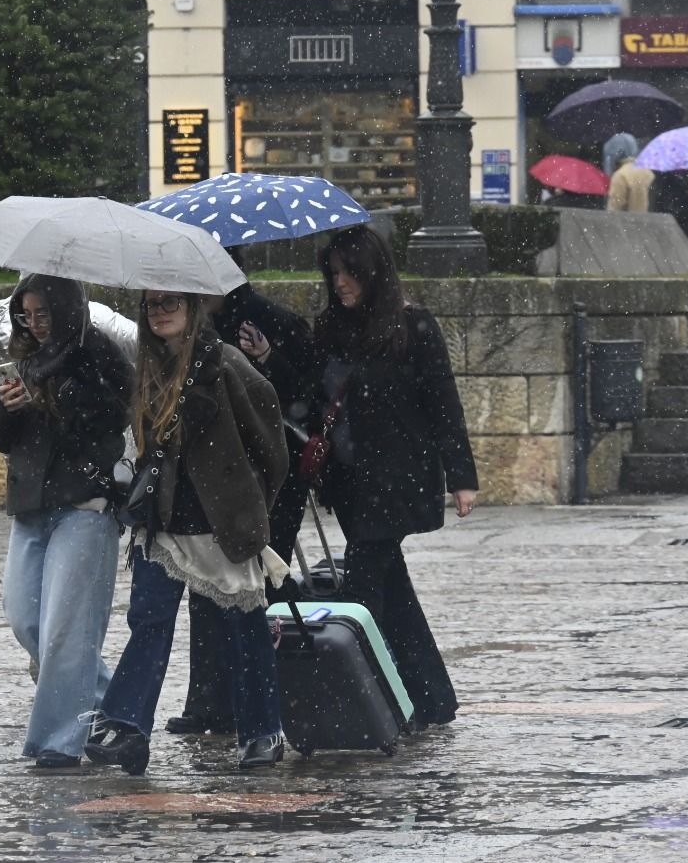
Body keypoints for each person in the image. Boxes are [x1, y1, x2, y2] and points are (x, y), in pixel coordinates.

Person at [84, 290, 291, 775]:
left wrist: (248, 502)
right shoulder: (146, 368)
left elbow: (271, 446)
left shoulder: (229, 365)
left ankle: (262, 732)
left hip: (222, 524)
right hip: (163, 522)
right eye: (152, 304)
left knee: (244, 629)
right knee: (149, 622)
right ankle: (128, 729)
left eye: (170, 303)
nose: (159, 312)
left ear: (192, 308)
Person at [313, 225, 479, 728]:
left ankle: (375, 700)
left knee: (365, 589)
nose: (341, 283)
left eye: (350, 272)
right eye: (334, 273)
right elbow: (312, 392)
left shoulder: (413, 326)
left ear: (373, 272)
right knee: (391, 588)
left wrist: (460, 476)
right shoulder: (329, 329)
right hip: (352, 480)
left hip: (400, 479)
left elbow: (443, 404)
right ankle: (429, 699)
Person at [164, 253, 317, 737]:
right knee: (206, 588)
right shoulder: (184, 329)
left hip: (262, 484)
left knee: (251, 589)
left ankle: (251, 707)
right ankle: (211, 701)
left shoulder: (271, 321)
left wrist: (268, 360)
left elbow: (304, 397)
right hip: (209, 484)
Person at [0, 274, 132, 769]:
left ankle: (56, 743)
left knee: (66, 629)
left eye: (43, 313)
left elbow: (114, 417)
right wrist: (8, 409)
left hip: (84, 505)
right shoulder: (24, 360)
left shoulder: (99, 354)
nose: (34, 324)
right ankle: (112, 708)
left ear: (65, 308)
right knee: (27, 619)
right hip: (30, 507)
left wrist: (55, 399)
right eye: (25, 314)